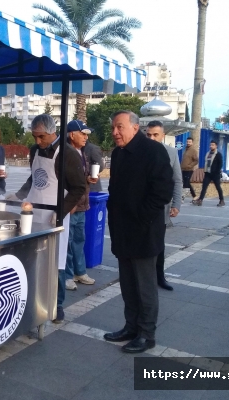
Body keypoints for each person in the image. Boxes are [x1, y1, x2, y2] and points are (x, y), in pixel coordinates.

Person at [104, 111, 173, 353]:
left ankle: (146, 334)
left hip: (144, 231)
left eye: (120, 127)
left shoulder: (154, 151)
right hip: (122, 231)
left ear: (135, 127)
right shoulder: (118, 153)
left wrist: (142, 217)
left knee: (144, 286)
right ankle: (130, 327)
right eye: (114, 127)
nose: (115, 133)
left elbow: (163, 192)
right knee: (128, 284)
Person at [7, 114, 86, 323]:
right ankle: (31, 297)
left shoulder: (68, 154)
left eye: (41, 137)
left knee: (56, 259)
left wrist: (60, 213)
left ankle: (56, 304)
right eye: (34, 137)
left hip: (55, 214)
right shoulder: (35, 151)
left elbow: (79, 188)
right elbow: (34, 177)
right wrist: (19, 195)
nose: (37, 141)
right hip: (33, 211)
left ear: (52, 133)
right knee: (32, 256)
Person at [146, 121, 182, 291]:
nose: (152, 138)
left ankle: (159, 276)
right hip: (142, 207)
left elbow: (177, 180)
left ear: (162, 135)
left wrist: (176, 204)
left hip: (162, 207)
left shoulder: (171, 153)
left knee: (159, 243)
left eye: (155, 135)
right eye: (149, 134)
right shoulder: (139, 152)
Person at [65, 120, 98, 291]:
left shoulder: (81, 153)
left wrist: (88, 179)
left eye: (87, 134)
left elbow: (79, 178)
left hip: (82, 205)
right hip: (71, 206)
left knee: (79, 240)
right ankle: (68, 275)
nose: (86, 137)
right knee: (68, 242)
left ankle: (80, 271)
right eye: (83, 134)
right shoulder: (67, 153)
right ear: (72, 135)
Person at [194, 140, 224, 207]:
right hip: (208, 173)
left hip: (215, 174)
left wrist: (217, 171)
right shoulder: (208, 154)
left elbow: (220, 164)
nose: (211, 146)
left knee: (218, 187)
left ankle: (221, 200)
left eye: (213, 145)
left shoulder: (218, 154)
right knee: (204, 187)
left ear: (216, 146)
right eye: (210, 145)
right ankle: (200, 200)